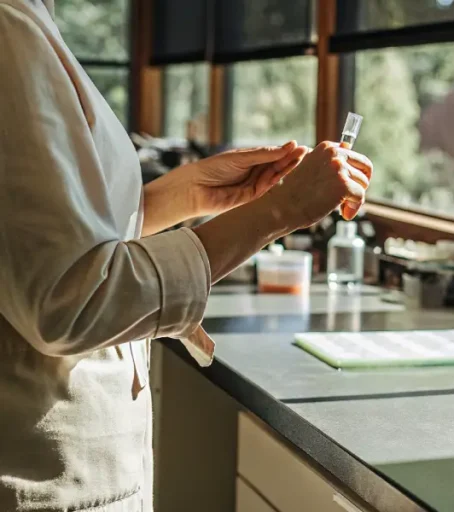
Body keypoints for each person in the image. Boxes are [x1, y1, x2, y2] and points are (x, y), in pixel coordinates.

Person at [0, 1, 374, 510]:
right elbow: (70, 301)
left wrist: (187, 195)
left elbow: (39, 235)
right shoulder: (8, 28)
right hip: (46, 473)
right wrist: (280, 211)